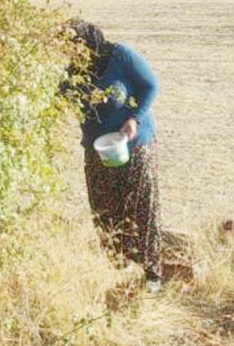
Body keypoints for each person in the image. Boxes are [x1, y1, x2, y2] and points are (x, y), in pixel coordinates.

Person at [65, 19, 163, 292]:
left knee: (142, 206)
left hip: (134, 144)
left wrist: (135, 119)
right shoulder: (75, 71)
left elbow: (151, 85)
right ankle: (118, 267)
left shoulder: (119, 56)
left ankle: (152, 273)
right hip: (98, 148)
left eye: (74, 47)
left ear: (88, 43)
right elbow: (58, 97)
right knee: (104, 207)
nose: (70, 54)